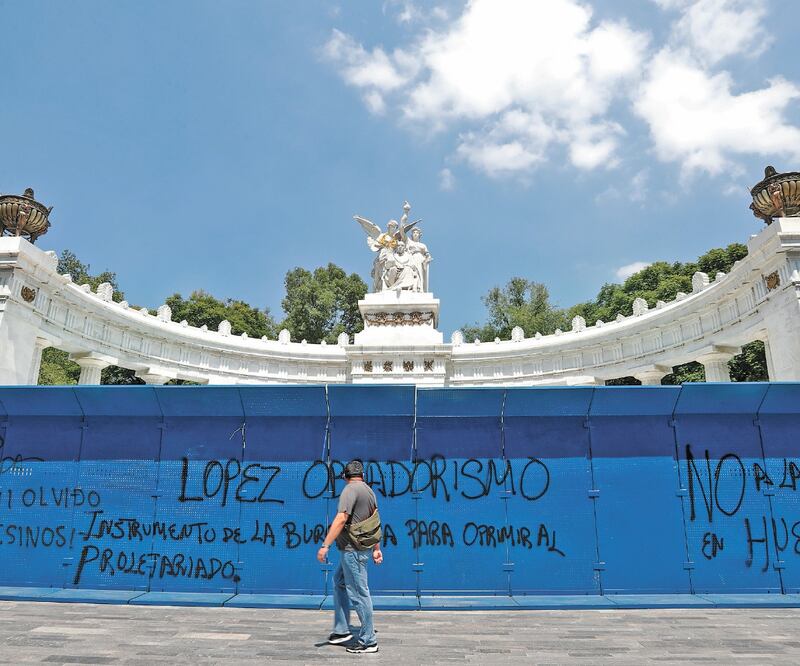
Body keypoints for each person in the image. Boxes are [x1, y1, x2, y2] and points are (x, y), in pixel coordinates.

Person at [317, 459, 383, 654]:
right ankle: (341, 630)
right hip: (359, 550)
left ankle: (369, 641)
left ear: (345, 476)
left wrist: (325, 545)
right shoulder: (369, 491)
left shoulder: (349, 491)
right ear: (362, 475)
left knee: (359, 594)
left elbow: (341, 518)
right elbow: (374, 520)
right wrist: (376, 548)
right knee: (339, 581)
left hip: (352, 551)